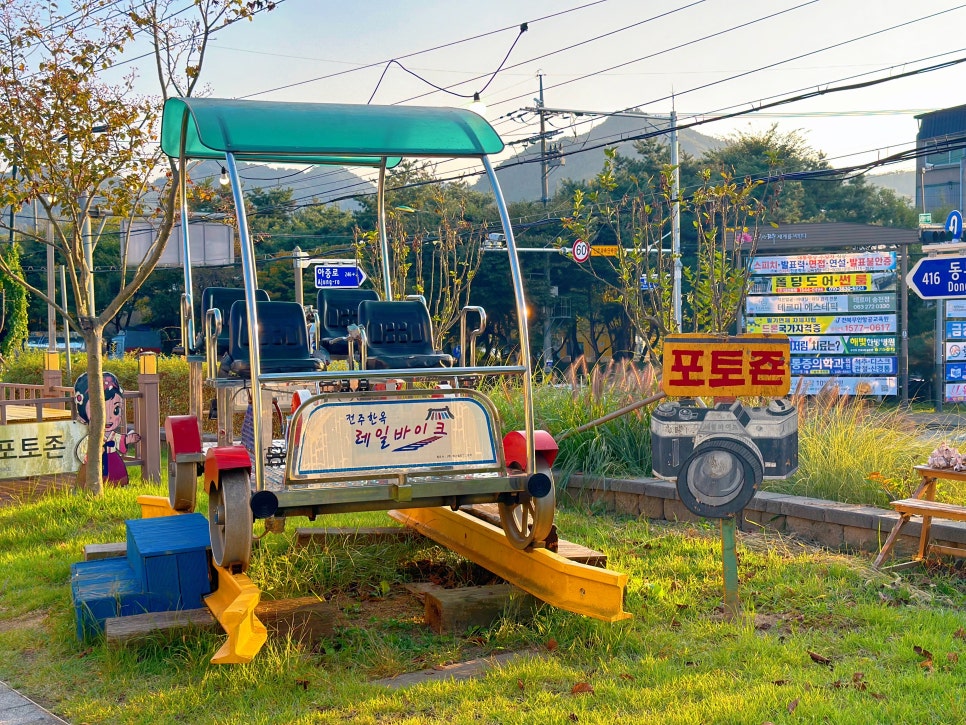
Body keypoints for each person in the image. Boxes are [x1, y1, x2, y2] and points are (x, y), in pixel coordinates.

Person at [74, 372, 141, 486]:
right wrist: (86, 456)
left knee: (117, 477)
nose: (109, 417)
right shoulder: (91, 437)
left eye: (116, 410)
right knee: (93, 476)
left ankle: (118, 484)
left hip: (113, 460)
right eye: (101, 411)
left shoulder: (112, 436)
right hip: (95, 462)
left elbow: (120, 440)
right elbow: (81, 450)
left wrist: (129, 439)